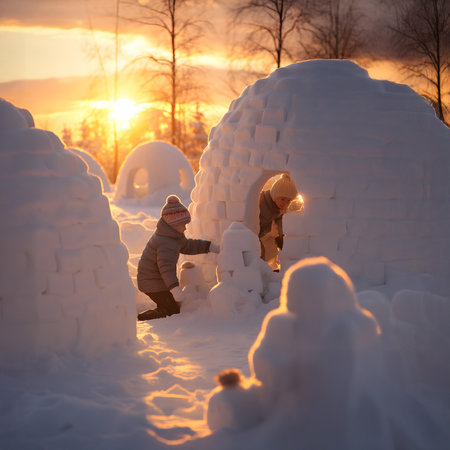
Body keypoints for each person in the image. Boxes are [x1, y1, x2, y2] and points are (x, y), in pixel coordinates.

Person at [137, 195, 219, 321]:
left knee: (171, 305)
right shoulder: (165, 243)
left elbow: (189, 246)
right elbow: (166, 269)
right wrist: (174, 288)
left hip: (159, 280)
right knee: (172, 310)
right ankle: (144, 318)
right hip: (151, 281)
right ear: (174, 224)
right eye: (183, 224)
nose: (185, 227)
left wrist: (209, 247)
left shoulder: (173, 236)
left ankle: (162, 307)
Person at [258, 174, 298, 271]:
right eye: (283, 199)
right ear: (275, 194)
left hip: (270, 238)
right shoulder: (262, 203)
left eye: (289, 200)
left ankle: (273, 271)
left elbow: (280, 222)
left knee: (273, 253)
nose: (285, 203)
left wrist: (281, 237)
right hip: (260, 237)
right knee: (264, 255)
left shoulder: (281, 208)